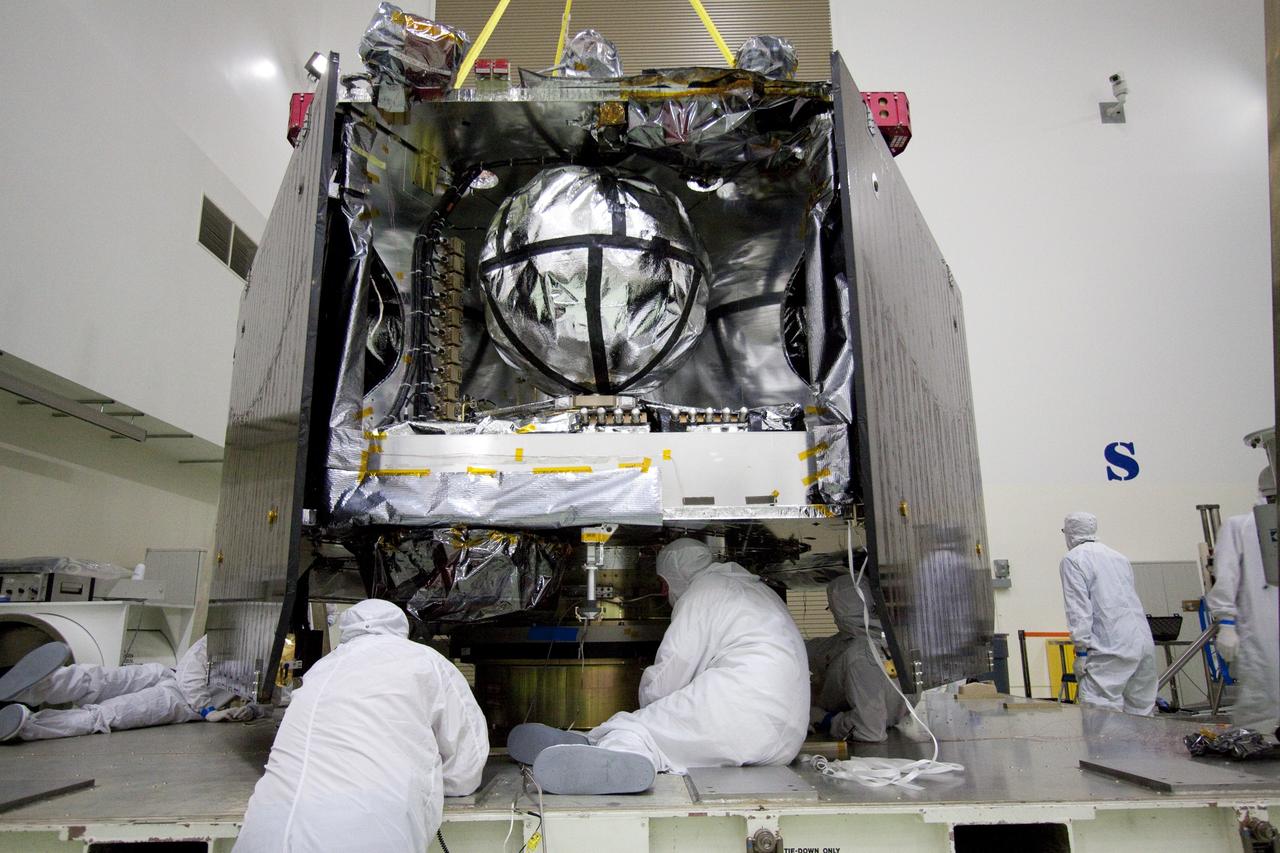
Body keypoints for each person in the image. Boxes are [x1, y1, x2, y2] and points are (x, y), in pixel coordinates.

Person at [506, 538, 810, 795]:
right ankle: (594, 741)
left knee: (641, 729)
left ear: (673, 578)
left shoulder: (703, 592)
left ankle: (619, 749)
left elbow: (672, 670)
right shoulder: (757, 590)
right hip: (785, 740)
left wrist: (647, 709)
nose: (664, 595)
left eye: (663, 585)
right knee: (673, 736)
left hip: (741, 713)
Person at [233, 599, 488, 853]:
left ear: (347, 630)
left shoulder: (321, 669)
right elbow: (465, 766)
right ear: (402, 629)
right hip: (365, 833)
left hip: (266, 831)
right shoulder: (428, 661)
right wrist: (433, 784)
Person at [0, 635, 250, 742]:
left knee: (104, 714)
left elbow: (271, 700)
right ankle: (32, 686)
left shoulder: (264, 661)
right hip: (171, 677)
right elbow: (192, 667)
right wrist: (207, 709)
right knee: (95, 679)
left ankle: (26, 726)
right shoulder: (231, 631)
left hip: (178, 703)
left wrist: (249, 711)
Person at [1058, 512, 1157, 715]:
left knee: (1100, 713)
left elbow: (1078, 609)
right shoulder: (1118, 557)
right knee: (1141, 713)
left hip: (1110, 647)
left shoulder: (1073, 559)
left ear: (1069, 533)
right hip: (1143, 643)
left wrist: (1081, 651)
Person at [1207, 466, 1279, 736]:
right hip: (1259, 627)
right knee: (1263, 700)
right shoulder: (1242, 526)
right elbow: (1225, 575)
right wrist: (1226, 622)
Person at [807, 574, 908, 742]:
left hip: (871, 748)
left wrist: (825, 720)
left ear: (837, 611)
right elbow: (823, 649)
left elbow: (870, 731)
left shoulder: (860, 658)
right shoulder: (889, 641)